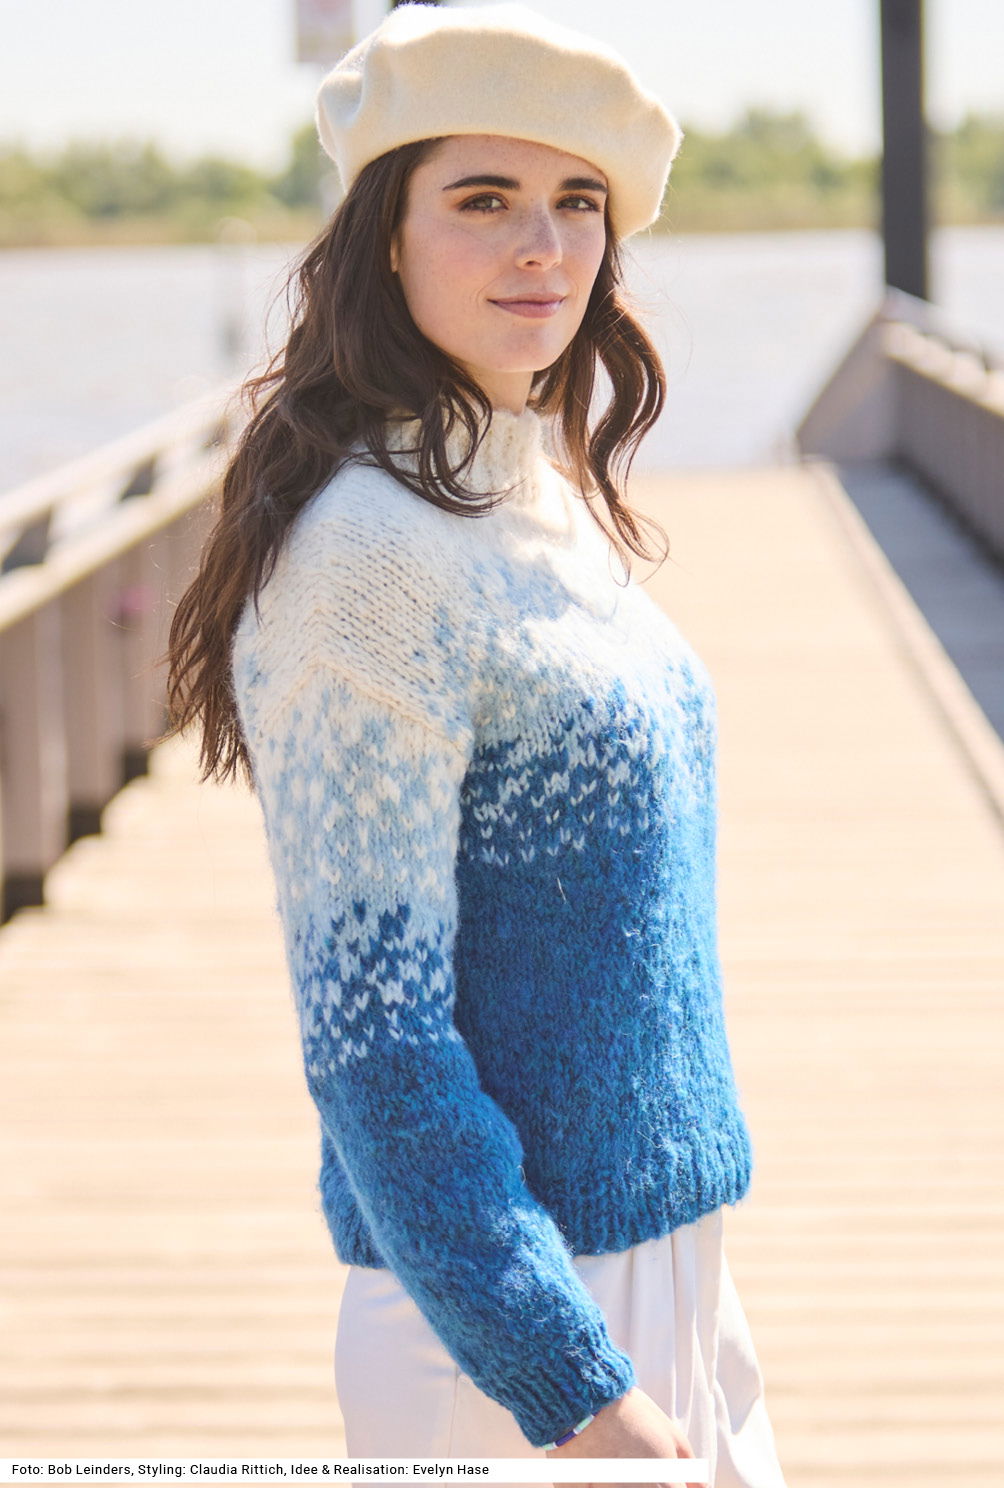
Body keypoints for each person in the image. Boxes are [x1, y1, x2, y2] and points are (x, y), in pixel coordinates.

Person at [163, 5, 788, 1484]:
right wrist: (567, 1384)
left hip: (664, 1263)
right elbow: (375, 1041)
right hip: (508, 1335)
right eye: (485, 200)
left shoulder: (526, 490)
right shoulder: (367, 558)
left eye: (578, 201)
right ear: (385, 237)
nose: (543, 247)